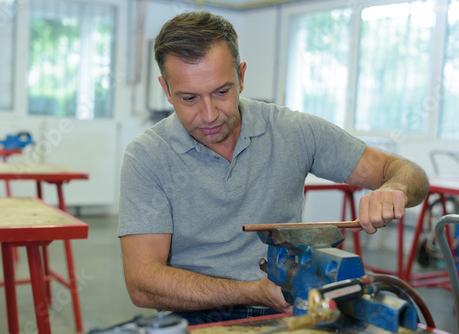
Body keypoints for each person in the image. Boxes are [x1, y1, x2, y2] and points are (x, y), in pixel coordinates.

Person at [118, 10, 429, 325]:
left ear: (241, 75)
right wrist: (253, 291)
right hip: (196, 314)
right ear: (166, 89)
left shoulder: (292, 130)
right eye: (189, 98)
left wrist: (394, 188)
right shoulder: (147, 156)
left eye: (221, 92)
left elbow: (404, 171)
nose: (210, 114)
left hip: (291, 310)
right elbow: (143, 284)